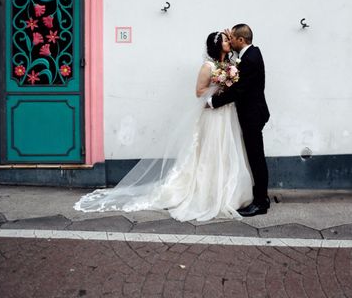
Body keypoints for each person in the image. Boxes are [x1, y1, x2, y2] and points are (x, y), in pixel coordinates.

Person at [74, 31, 253, 222]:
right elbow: (198, 91)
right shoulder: (208, 67)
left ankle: (229, 193)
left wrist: (227, 80)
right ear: (217, 45)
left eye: (228, 40)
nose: (229, 43)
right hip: (212, 115)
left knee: (227, 150)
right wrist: (219, 85)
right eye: (226, 40)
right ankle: (207, 193)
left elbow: (235, 76)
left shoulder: (229, 65)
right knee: (210, 152)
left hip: (227, 114)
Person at [208, 24, 270, 217]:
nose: (230, 40)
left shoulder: (250, 59)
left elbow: (237, 90)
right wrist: (230, 39)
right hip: (253, 112)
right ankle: (262, 197)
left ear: (241, 40)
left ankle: (260, 202)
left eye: (232, 38)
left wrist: (213, 102)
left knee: (256, 157)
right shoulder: (251, 54)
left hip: (252, 114)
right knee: (255, 155)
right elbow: (237, 68)